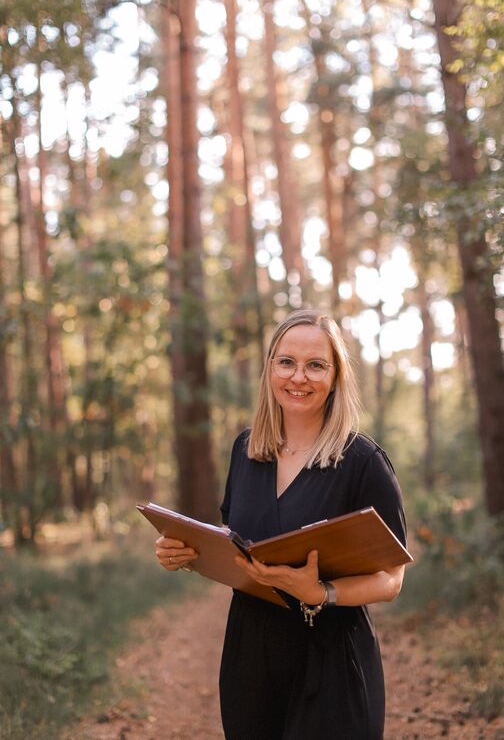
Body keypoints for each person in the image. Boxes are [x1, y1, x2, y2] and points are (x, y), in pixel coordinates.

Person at [155, 309, 407, 740]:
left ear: (335, 376)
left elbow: (391, 579)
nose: (299, 377)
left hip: (329, 655)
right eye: (287, 362)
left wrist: (322, 593)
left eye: (315, 365)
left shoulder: (363, 462)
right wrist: (185, 555)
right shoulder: (245, 449)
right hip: (249, 655)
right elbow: (235, 547)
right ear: (270, 368)